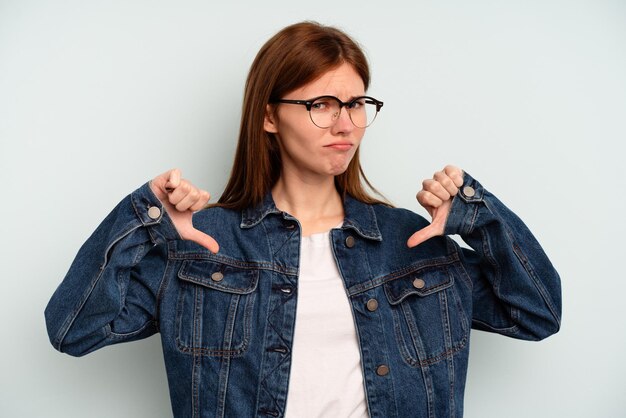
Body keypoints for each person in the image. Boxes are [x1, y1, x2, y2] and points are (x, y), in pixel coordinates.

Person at [45, 21, 562, 418]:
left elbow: (538, 313)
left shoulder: (412, 240)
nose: (345, 123)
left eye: (357, 103)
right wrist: (147, 218)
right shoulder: (203, 247)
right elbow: (73, 329)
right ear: (269, 116)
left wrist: (480, 219)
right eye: (321, 103)